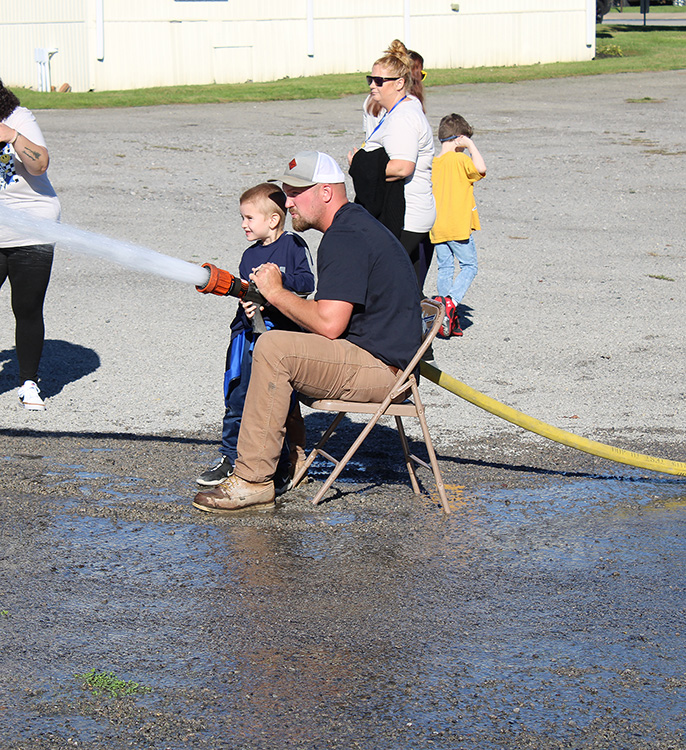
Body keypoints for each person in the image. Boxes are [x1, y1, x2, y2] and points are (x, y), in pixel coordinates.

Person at [193, 150, 422, 514]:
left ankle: (253, 480)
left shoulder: (344, 236)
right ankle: (289, 459)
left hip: (383, 371)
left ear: (327, 192)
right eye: (285, 192)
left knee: (274, 348)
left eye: (297, 192)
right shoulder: (352, 226)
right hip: (377, 358)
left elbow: (330, 325)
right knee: (278, 345)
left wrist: (276, 293)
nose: (288, 202)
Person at [196, 182, 315, 492]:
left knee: (280, 404)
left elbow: (306, 283)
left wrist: (278, 281)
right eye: (242, 218)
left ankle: (282, 462)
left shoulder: (294, 246)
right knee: (236, 397)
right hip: (245, 336)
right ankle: (229, 458)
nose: (243, 224)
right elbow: (247, 292)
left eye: (249, 218)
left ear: (273, 220)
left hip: (281, 337)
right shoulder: (248, 255)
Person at [347, 40, 435, 294]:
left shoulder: (403, 118)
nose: (372, 85)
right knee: (404, 281)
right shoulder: (401, 110)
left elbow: (402, 167)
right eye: (370, 79)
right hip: (411, 211)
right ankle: (416, 326)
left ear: (399, 83)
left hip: (407, 214)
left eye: (379, 81)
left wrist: (360, 165)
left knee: (381, 279)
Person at [0, 79, 60, 410]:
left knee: (26, 307)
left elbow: (39, 165)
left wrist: (11, 135)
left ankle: (28, 382)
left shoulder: (18, 117)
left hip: (32, 226)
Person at [430, 113, 486, 338]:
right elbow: (481, 169)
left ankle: (444, 317)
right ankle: (451, 303)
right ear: (459, 139)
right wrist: (471, 146)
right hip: (458, 225)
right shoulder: (460, 160)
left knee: (445, 267)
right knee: (470, 266)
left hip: (437, 226)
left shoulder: (434, 162)